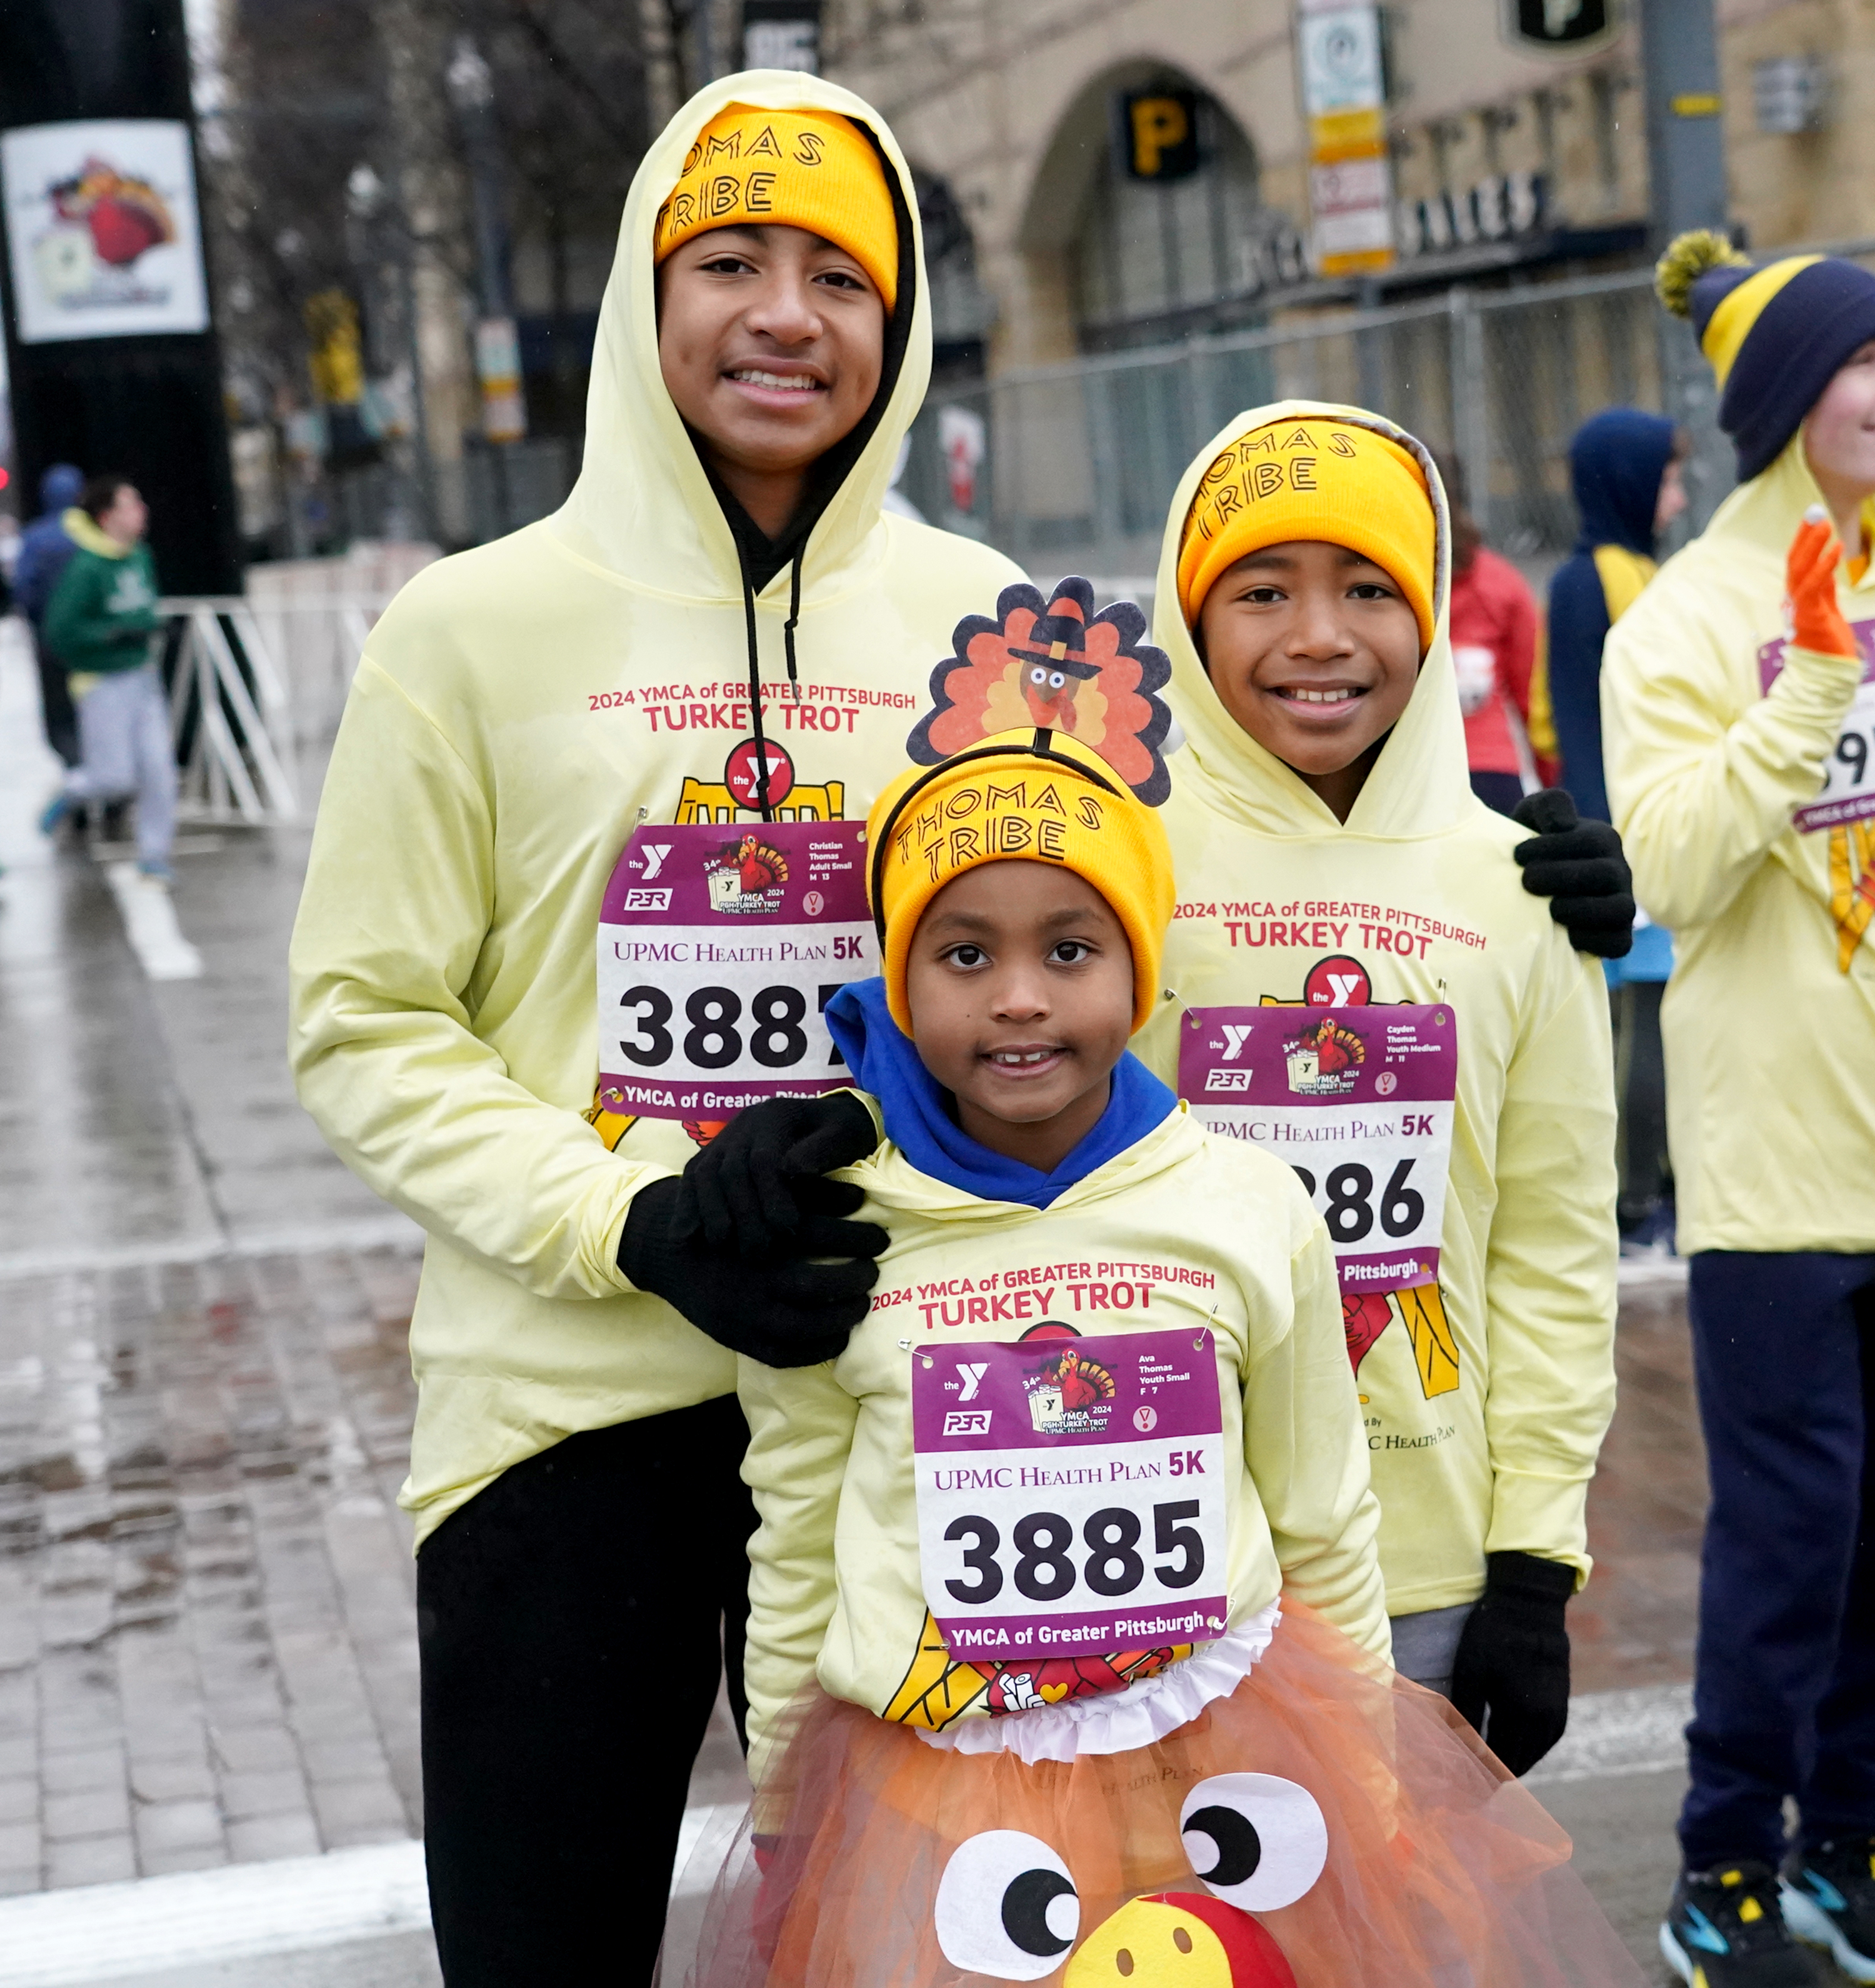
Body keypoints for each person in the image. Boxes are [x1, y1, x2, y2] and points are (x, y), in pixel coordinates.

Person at [288, 71, 1027, 1988]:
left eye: (839, 278)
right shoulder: (467, 630)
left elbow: (1140, 953)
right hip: (567, 1416)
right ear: (644, 287)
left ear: (899, 322)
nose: (787, 315)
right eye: (731, 262)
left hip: (913, 1401)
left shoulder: (992, 631)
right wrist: (631, 1214)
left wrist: (1498, 874)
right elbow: (364, 1022)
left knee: (955, 1953)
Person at [695, 727, 1645, 1988]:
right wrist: (783, 1820)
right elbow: (798, 1534)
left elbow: (1322, 1516)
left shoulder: (1245, 1208)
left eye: (1071, 950)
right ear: (899, 978)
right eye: (965, 953)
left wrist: (1365, 1786)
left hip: (1222, 1757)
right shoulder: (839, 1236)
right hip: (935, 1795)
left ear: (1141, 975)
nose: (1020, 997)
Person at [1115, 401, 1620, 1777]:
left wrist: (1536, 1560)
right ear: (1188, 612)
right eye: (1263, 590)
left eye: (1371, 589)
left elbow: (1552, 1250)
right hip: (1168, 1558)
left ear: (1435, 606)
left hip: (1434, 1568)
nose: (1322, 637)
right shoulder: (1118, 873)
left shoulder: (1518, 892)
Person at [1604, 231, 1875, 1986]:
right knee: (1792, 1538)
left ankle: (1847, 1841)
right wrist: (1810, 696)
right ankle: (1724, 1865)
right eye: (1870, 366)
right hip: (1776, 1166)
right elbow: (1674, 869)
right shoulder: (1691, 617)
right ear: (1791, 395)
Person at [1549, 409, 1688, 1247]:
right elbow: (1606, 708)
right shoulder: (1605, 575)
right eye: (1665, 478)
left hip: (1627, 813)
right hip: (1631, 828)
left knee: (1637, 1012)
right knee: (1646, 1010)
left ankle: (1636, 1190)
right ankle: (1638, 1200)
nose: (1675, 495)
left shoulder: (1607, 570)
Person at [36, 476, 177, 882]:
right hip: (104, 684)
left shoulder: (140, 557)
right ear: (107, 516)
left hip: (143, 678)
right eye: (131, 504)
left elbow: (141, 608)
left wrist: (153, 628)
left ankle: (155, 855)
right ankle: (71, 792)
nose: (141, 511)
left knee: (159, 773)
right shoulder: (86, 568)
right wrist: (111, 636)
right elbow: (61, 632)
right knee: (114, 777)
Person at [1434, 448, 1546, 814]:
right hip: (1492, 773)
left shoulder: (1380, 583)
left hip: (1409, 774)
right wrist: (1553, 778)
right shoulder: (1501, 582)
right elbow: (1534, 697)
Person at [12, 463, 86, 771]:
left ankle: (77, 774)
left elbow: (23, 590)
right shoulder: (91, 533)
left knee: (62, 715)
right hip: (91, 641)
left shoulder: (36, 538)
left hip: (51, 641)